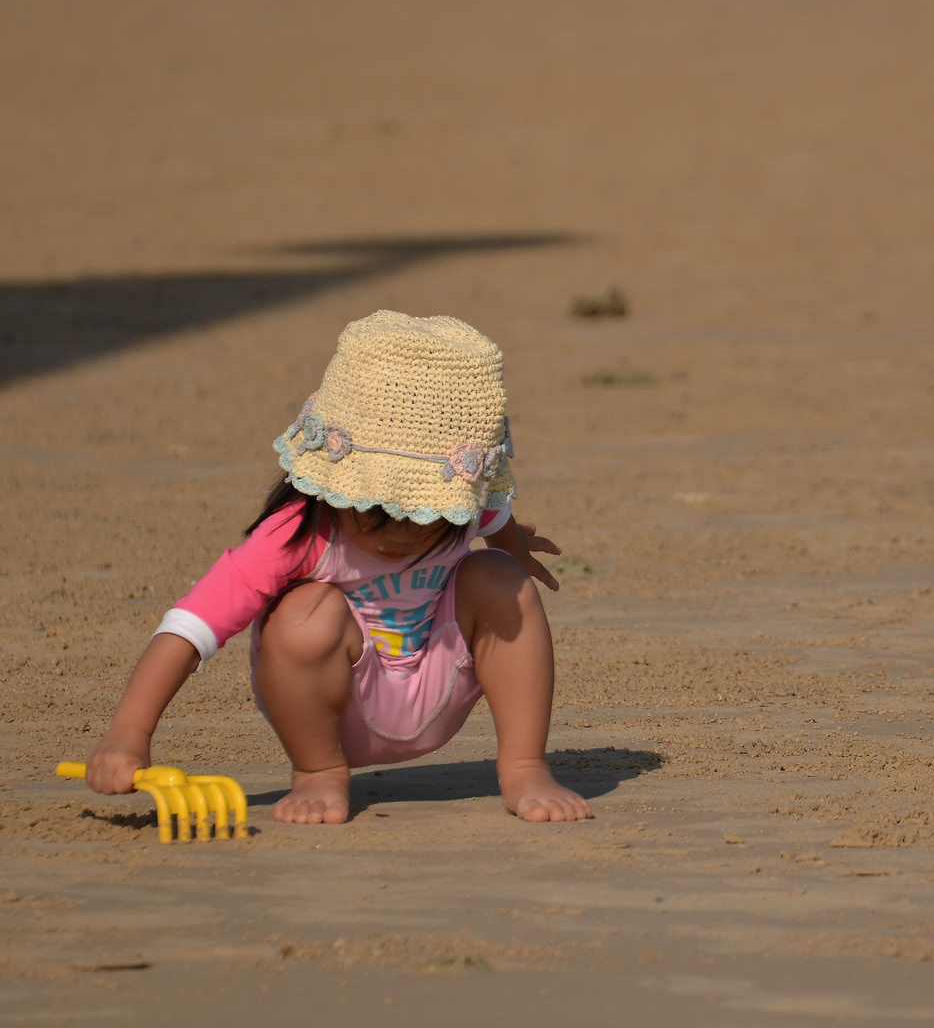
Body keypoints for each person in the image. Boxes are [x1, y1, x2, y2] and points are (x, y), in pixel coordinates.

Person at [83, 311, 591, 825]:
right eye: (376, 507)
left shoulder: (462, 500)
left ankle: (525, 765)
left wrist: (514, 550)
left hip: (438, 680)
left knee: (500, 576)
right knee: (304, 613)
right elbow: (193, 625)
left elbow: (496, 517)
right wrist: (130, 732)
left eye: (421, 512)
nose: (399, 530)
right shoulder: (298, 530)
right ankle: (318, 774)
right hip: (331, 710)